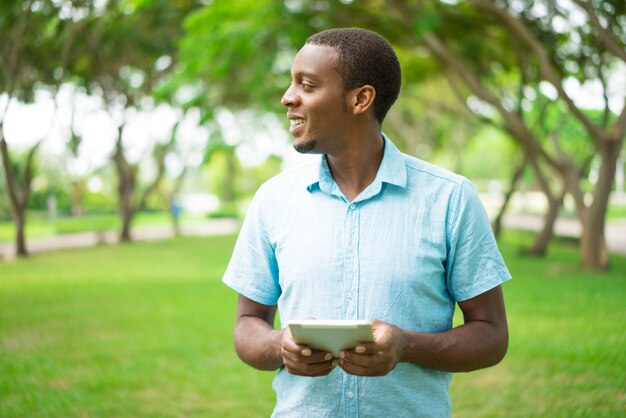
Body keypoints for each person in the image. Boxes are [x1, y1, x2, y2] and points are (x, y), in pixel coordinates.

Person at [222, 27, 511, 417]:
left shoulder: (450, 199)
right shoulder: (273, 200)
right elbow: (247, 323)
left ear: (360, 99)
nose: (287, 97)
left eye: (306, 85)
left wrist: (406, 346)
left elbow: (491, 335)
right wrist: (280, 345)